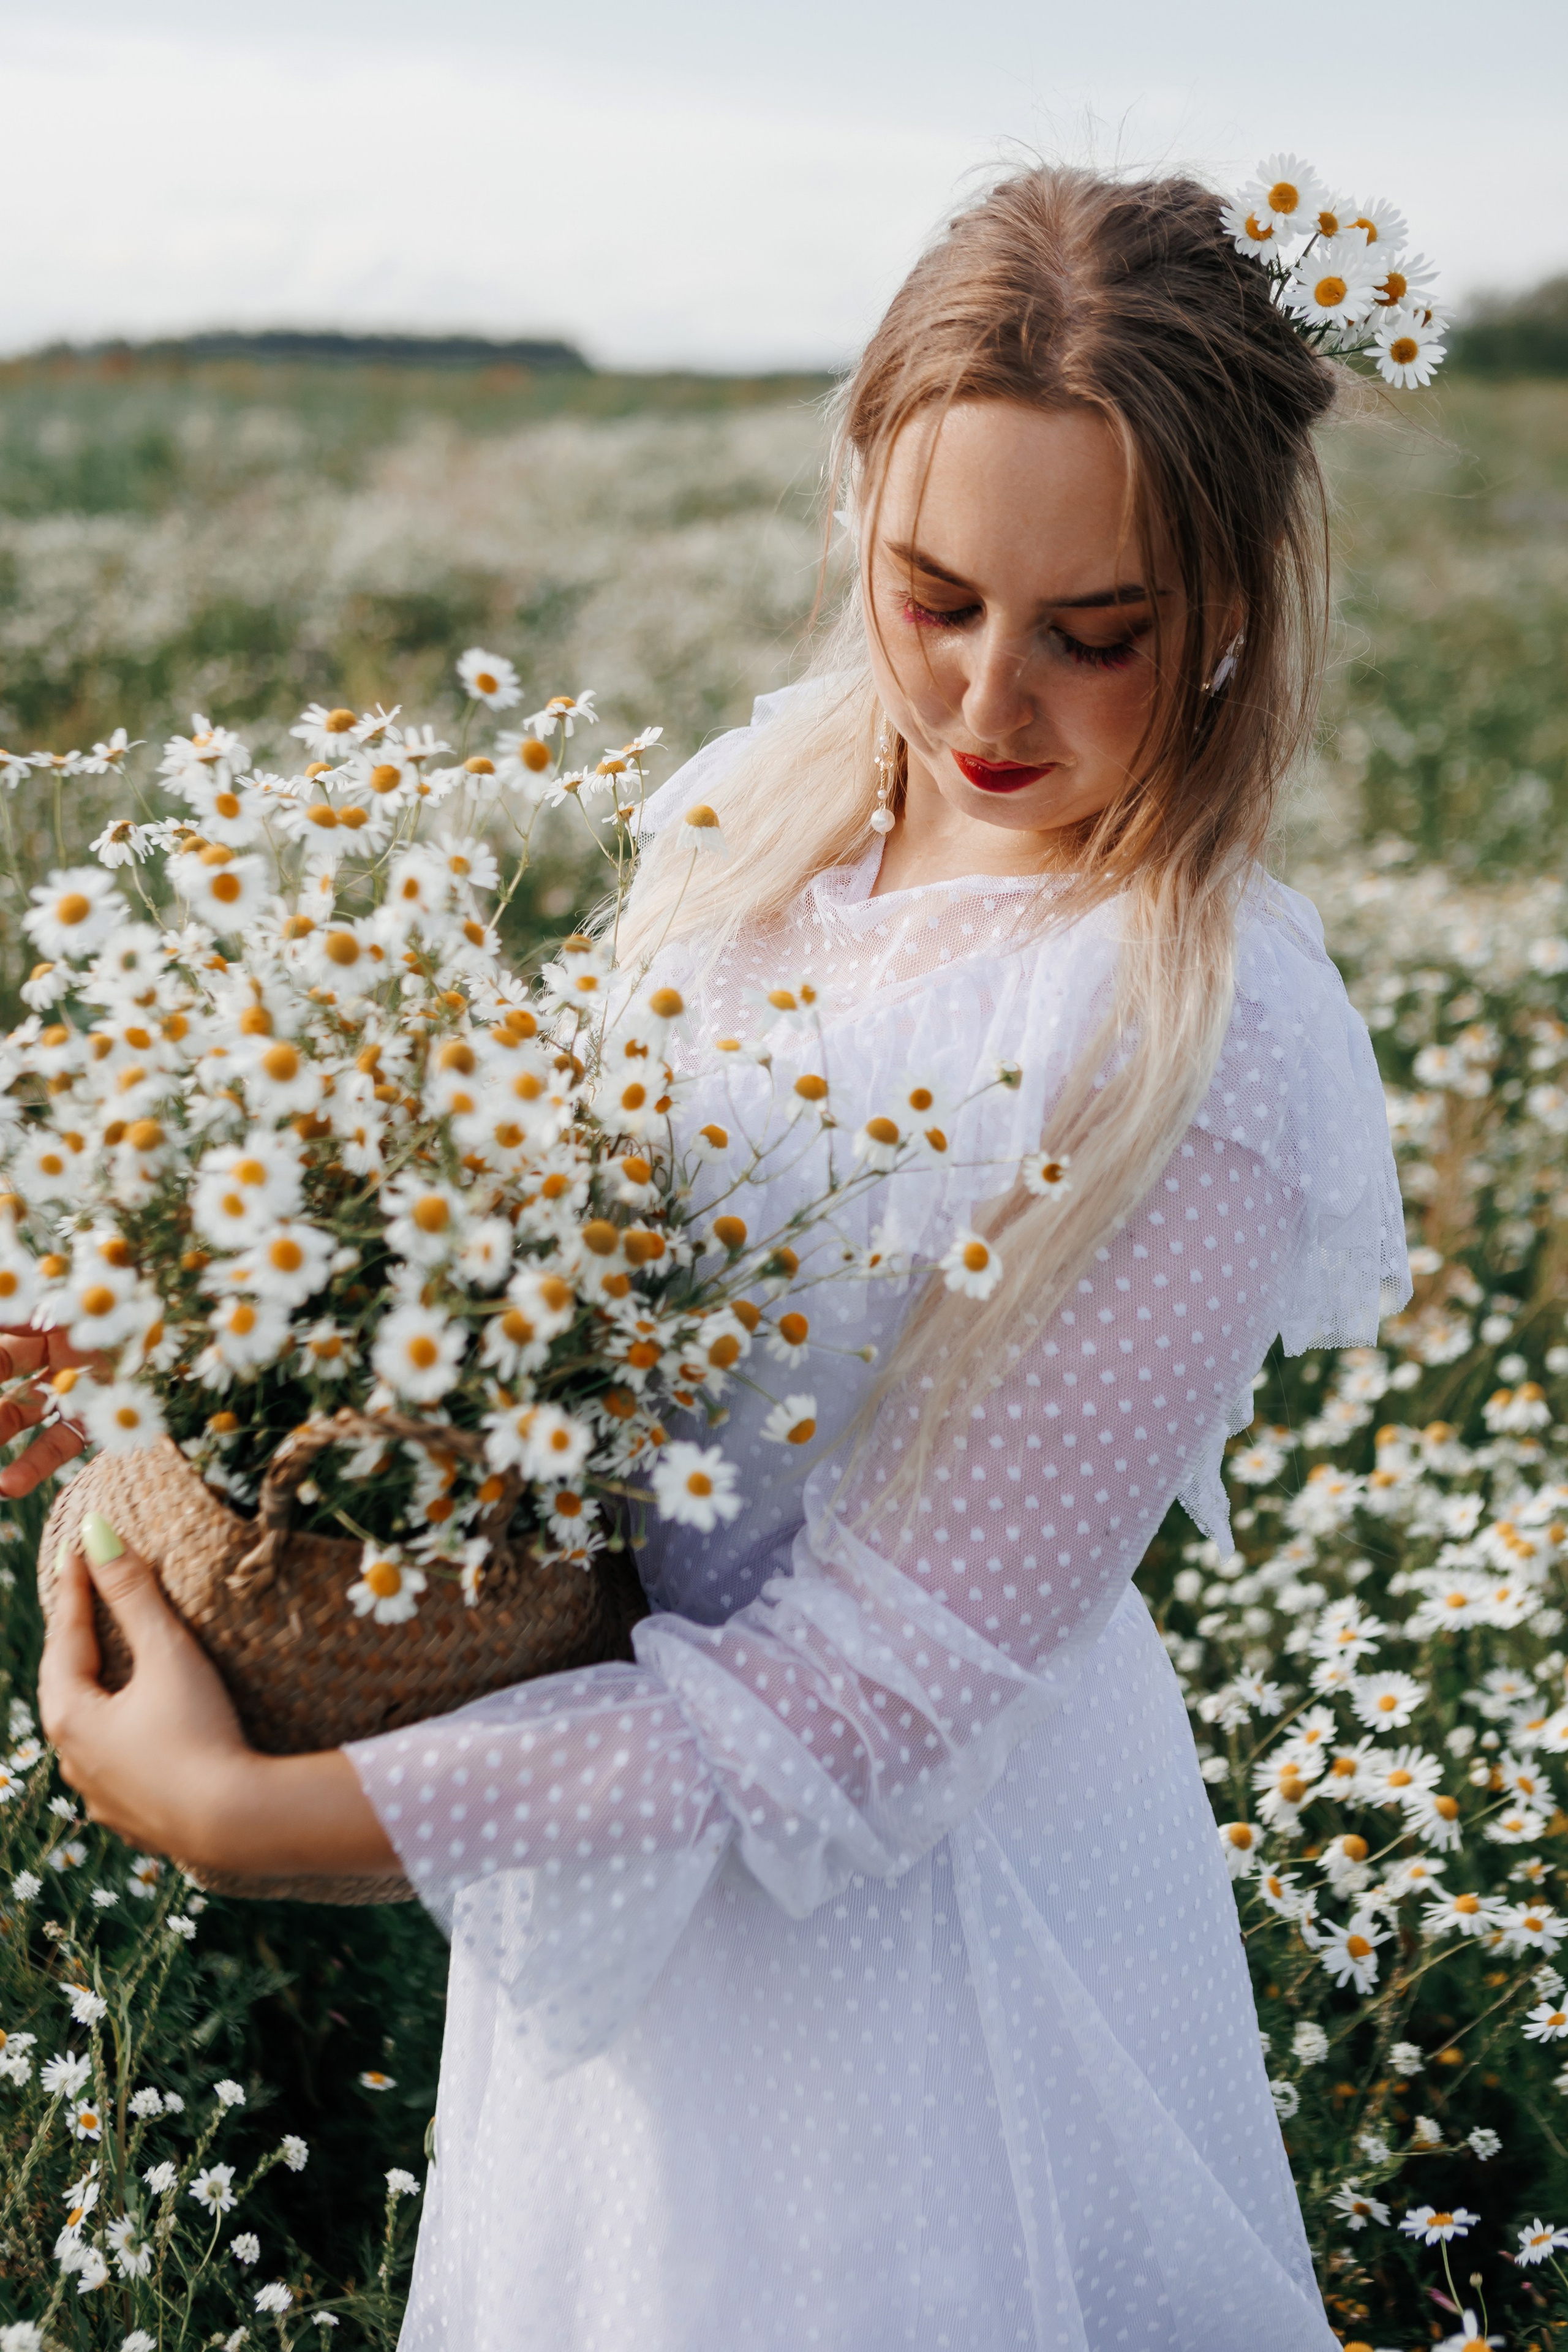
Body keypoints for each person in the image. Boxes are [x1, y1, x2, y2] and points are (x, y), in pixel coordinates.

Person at [27, 165, 1406, 2350]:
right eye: (932, 591)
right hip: (616, 1887)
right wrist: (177, 1350)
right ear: (858, 495)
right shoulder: (772, 809)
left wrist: (255, 1818)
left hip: (911, 1952)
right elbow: (527, 1266)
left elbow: (876, 1698)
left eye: (1099, 633)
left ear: (1230, 604)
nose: (989, 694)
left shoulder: (1189, 1032)